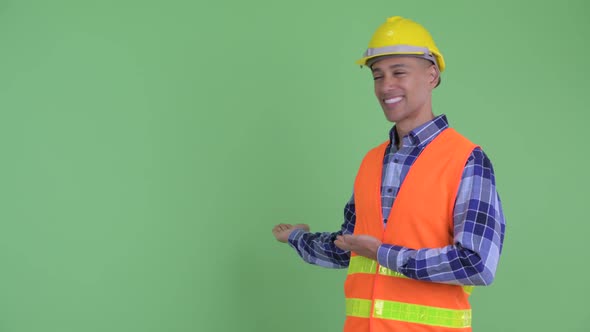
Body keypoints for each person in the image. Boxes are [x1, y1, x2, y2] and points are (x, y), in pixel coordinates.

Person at [272, 16, 505, 332]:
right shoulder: (371, 161)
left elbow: (477, 263)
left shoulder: (466, 160)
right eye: (377, 75)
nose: (385, 86)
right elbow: (351, 249)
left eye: (399, 72)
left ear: (432, 75)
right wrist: (296, 238)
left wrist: (383, 254)